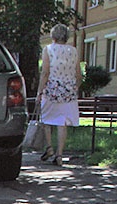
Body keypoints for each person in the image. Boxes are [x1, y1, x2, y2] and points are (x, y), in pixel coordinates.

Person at [35, 24, 82, 166]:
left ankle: (49, 148)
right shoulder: (73, 51)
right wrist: (74, 87)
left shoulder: (48, 49)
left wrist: (39, 91)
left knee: (46, 119)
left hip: (52, 89)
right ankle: (59, 154)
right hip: (68, 90)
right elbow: (79, 74)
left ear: (53, 35)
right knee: (63, 123)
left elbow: (45, 72)